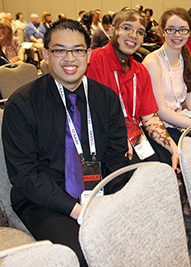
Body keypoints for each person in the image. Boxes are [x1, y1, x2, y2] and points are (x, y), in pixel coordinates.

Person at [2, 19, 130, 267]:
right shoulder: (22, 104)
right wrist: (79, 211)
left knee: (133, 233)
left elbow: (115, 158)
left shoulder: (106, 98)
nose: (69, 58)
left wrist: (113, 202)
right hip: (43, 199)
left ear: (88, 54)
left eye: (77, 50)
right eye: (60, 50)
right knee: (84, 252)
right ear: (46, 54)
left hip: (98, 191)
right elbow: (25, 175)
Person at [86, 9, 179, 169]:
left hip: (136, 136)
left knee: (168, 165)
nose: (133, 35)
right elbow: (86, 113)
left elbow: (149, 117)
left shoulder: (140, 71)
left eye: (140, 32)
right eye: (126, 28)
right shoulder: (92, 62)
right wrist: (117, 138)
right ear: (110, 30)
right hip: (104, 140)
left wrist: (172, 146)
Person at [142, 8, 191, 143]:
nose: (177, 35)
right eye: (171, 29)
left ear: (189, 33)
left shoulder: (186, 59)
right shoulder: (152, 62)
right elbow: (161, 111)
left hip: (181, 121)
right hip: (162, 128)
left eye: (183, 30)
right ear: (162, 31)